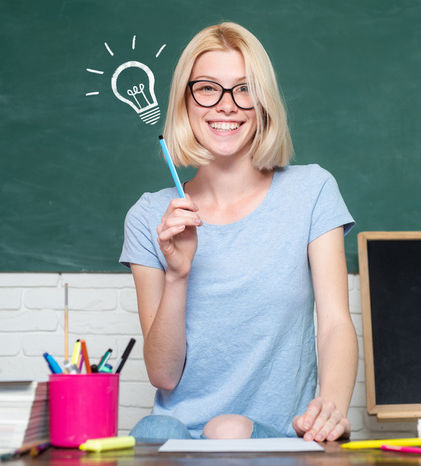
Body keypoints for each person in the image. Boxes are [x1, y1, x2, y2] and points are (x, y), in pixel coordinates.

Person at [120, 22, 357, 442]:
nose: (226, 105)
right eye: (208, 88)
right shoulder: (150, 216)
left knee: (227, 428)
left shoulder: (312, 191)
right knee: (153, 427)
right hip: (176, 436)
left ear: (263, 103)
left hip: (274, 435)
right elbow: (163, 374)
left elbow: (336, 323)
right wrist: (177, 274)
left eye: (244, 89)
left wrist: (330, 409)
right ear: (184, 102)